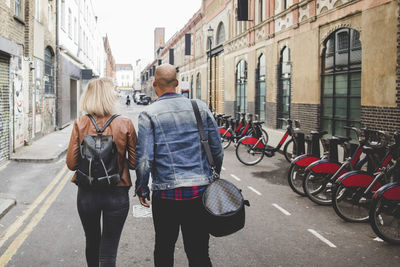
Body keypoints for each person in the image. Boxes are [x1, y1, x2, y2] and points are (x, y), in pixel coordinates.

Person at [135, 64, 223, 267]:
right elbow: (216, 149)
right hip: (200, 193)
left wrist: (141, 187)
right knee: (199, 252)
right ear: (176, 83)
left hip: (166, 196)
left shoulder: (149, 113)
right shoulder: (199, 107)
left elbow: (144, 159)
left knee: (164, 249)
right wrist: (214, 175)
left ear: (155, 84)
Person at [66, 77, 137, 267]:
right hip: (117, 192)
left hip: (87, 194)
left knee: (92, 242)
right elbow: (134, 163)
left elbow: (72, 164)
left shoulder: (80, 123)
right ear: (109, 97)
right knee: (108, 251)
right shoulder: (125, 123)